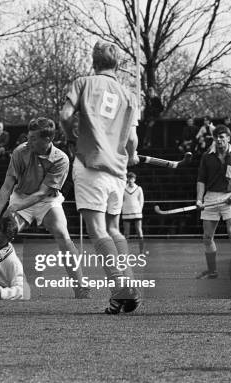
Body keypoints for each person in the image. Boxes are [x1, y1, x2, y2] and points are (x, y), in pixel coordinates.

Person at [59, 41, 142, 314]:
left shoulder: (83, 82)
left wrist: (71, 137)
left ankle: (121, 288)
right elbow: (131, 138)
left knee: (97, 231)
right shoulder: (130, 95)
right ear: (117, 65)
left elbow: (65, 115)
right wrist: (133, 154)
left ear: (93, 62)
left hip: (90, 164)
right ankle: (126, 289)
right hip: (117, 171)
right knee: (114, 228)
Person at [0, 117, 90, 300]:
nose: (29, 141)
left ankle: (81, 287)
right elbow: (6, 186)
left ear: (48, 140)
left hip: (47, 201)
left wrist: (15, 207)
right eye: (29, 136)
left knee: (62, 234)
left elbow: (43, 193)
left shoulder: (61, 159)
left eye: (34, 138)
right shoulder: (20, 151)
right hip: (21, 196)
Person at [196, 125, 231, 280]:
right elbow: (201, 180)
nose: (219, 140)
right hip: (210, 198)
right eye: (216, 137)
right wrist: (199, 199)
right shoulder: (207, 156)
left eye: (222, 137)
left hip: (230, 198)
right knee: (207, 238)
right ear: (213, 139)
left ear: (228, 138)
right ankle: (212, 271)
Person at [121, 172, 146, 254]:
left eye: (132, 178)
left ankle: (141, 251)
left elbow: (141, 201)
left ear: (134, 179)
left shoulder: (139, 188)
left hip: (137, 213)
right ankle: (125, 252)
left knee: (139, 231)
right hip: (126, 213)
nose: (130, 180)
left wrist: (139, 210)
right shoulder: (123, 188)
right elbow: (121, 200)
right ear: (127, 179)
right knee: (126, 233)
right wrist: (123, 209)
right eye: (129, 178)